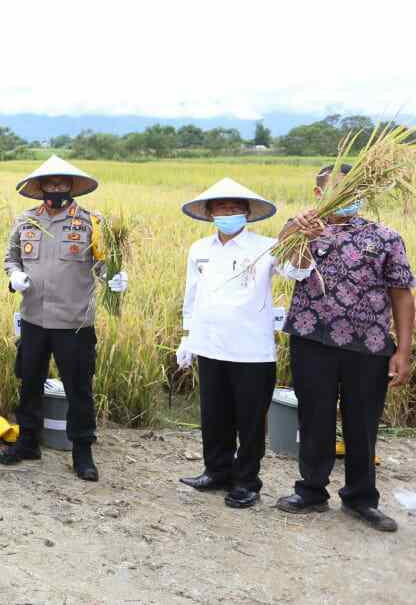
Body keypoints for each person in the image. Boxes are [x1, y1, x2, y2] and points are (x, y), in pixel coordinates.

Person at [274, 164, 414, 532]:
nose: (348, 197)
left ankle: (361, 498)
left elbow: (402, 295)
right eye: (338, 189)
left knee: (363, 423)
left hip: (368, 346)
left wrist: (403, 351)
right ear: (319, 193)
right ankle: (311, 491)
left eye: (354, 190)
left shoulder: (386, 238)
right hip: (312, 339)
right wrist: (302, 233)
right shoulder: (298, 229)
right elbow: (287, 267)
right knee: (314, 415)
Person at [176, 178, 312, 508]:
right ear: (209, 213)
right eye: (222, 207)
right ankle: (216, 471)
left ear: (248, 213)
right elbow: (192, 296)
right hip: (209, 345)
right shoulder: (199, 250)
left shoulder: (266, 246)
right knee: (214, 415)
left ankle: (247, 482)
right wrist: (187, 337)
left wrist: (297, 238)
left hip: (251, 351)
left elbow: (299, 272)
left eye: (236, 208)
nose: (229, 212)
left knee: (250, 421)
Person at [0, 155, 126, 481]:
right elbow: (11, 257)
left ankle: (82, 450)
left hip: (74, 322)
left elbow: (103, 264)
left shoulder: (90, 223)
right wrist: (14, 275)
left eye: (61, 183)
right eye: (50, 183)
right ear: (40, 187)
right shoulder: (26, 221)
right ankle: (28, 441)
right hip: (33, 319)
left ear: (71, 186)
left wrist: (114, 277)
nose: (55, 188)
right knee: (29, 382)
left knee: (79, 387)